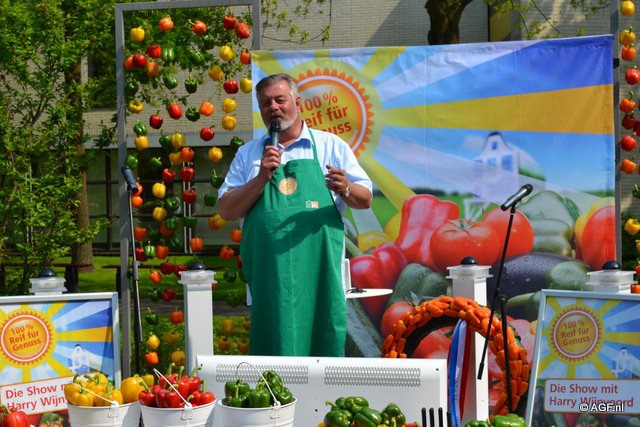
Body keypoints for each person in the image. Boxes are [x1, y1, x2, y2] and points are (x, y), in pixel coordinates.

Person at [218, 73, 373, 357]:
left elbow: (365, 199)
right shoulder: (249, 155)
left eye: (280, 100)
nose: (273, 108)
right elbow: (226, 210)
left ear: (297, 103)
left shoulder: (330, 146)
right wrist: (261, 178)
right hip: (270, 281)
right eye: (265, 103)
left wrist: (346, 188)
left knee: (323, 351)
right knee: (273, 354)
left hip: (320, 280)